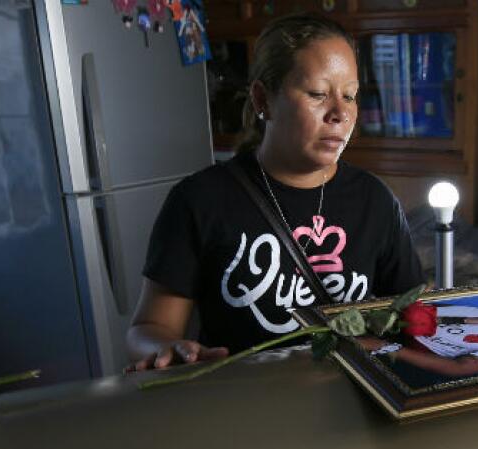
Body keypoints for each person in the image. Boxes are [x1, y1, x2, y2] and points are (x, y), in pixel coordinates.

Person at [127, 12, 422, 371]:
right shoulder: (199, 200)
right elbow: (147, 329)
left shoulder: (375, 200)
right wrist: (170, 349)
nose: (340, 113)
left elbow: (415, 315)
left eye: (350, 95)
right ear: (263, 99)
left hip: (350, 408)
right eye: (317, 94)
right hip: (241, 409)